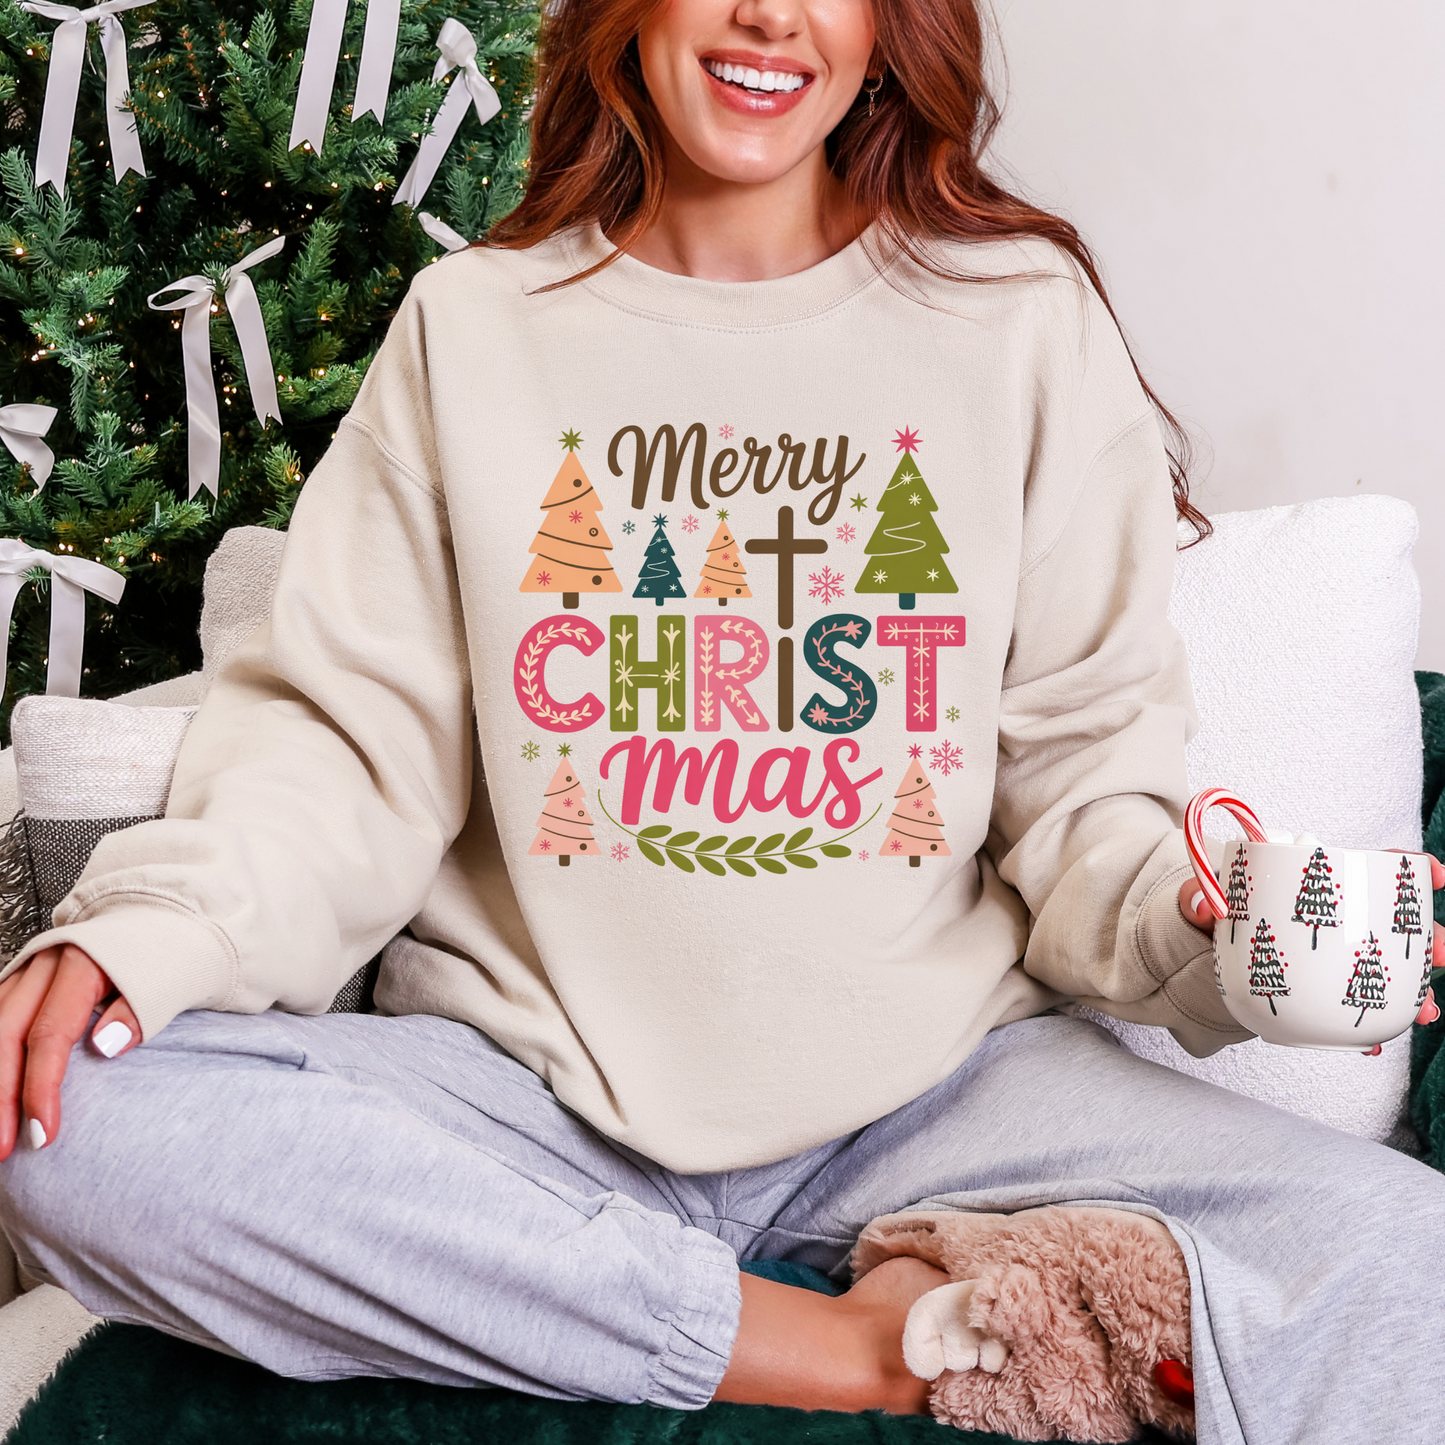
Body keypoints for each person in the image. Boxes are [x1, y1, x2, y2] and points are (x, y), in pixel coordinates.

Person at [1, 0, 1442, 1433]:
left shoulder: (1017, 323)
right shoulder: (477, 329)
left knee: (1410, 1268)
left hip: (944, 1104)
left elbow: (1082, 797)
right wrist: (157, 928)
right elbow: (342, 746)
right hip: (532, 1103)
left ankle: (744, 1288)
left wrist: (1220, 928)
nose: (767, 14)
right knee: (62, 1134)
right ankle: (852, 1347)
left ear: (888, 27)